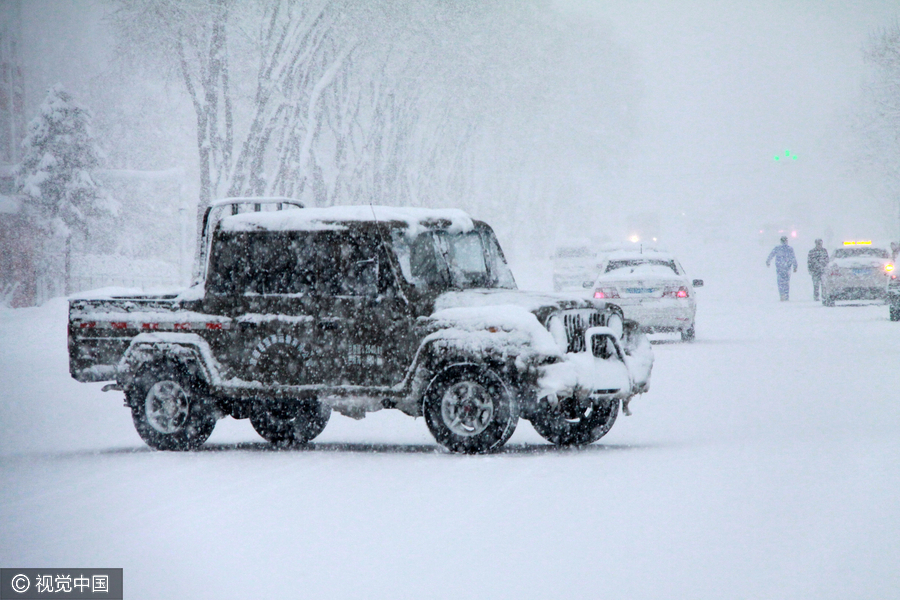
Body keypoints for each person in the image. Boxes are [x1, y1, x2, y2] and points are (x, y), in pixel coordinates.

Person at [766, 236, 798, 301]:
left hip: (780, 268)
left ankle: (782, 295)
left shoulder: (777, 248)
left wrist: (768, 261)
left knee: (780, 282)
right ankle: (786, 295)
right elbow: (793, 258)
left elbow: (771, 255)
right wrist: (795, 266)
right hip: (787, 268)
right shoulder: (789, 249)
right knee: (786, 282)